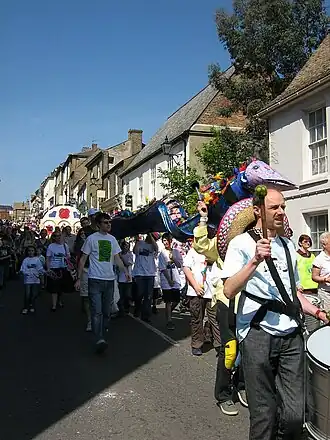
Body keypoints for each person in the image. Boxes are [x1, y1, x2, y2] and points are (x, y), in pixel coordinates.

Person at [221, 187, 328, 440]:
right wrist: (254, 261)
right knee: (263, 414)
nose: (281, 212)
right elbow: (228, 290)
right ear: (258, 210)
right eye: (274, 207)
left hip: (290, 333)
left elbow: (291, 294)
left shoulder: (288, 246)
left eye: (283, 207)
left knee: (294, 415)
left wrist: (317, 311)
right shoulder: (241, 244)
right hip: (257, 333)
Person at [75, 212, 130, 353]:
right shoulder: (91, 239)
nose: (108, 224)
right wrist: (79, 279)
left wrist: (125, 271)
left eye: (109, 222)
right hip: (95, 279)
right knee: (96, 311)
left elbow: (117, 258)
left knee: (106, 311)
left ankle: (102, 332)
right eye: (105, 222)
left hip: (109, 280)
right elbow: (82, 259)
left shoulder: (112, 240)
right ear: (99, 225)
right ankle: (99, 338)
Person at [158, 233, 182, 330]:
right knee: (168, 301)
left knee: (176, 300)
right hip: (166, 280)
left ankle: (169, 312)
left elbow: (180, 265)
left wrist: (174, 259)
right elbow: (162, 268)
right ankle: (169, 321)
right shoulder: (162, 254)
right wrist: (169, 280)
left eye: (168, 240)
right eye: (164, 240)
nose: (166, 242)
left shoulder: (176, 252)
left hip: (175, 279)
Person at [132, 233, 158, 322]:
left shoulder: (153, 246)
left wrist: (150, 235)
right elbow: (135, 251)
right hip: (140, 273)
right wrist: (137, 240)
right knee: (139, 294)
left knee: (148, 296)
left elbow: (156, 248)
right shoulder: (140, 243)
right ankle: (137, 308)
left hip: (150, 274)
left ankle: (145, 315)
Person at [46, 231, 70, 311]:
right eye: (56, 236)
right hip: (54, 268)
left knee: (61, 287)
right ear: (53, 237)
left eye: (59, 235)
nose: (58, 237)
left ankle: (59, 300)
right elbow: (48, 258)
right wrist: (48, 268)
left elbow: (68, 256)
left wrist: (67, 258)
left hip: (63, 268)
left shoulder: (65, 246)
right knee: (54, 288)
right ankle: (54, 305)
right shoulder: (51, 246)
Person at [75, 228, 92, 331]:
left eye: (84, 234)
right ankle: (90, 320)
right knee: (86, 297)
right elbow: (79, 259)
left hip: (96, 270)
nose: (83, 235)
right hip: (85, 270)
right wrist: (78, 277)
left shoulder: (94, 241)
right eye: (81, 234)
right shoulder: (79, 245)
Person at [20, 246, 44, 314]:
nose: (31, 252)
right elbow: (23, 268)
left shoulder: (37, 259)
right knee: (27, 294)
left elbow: (40, 268)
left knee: (34, 294)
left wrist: (44, 273)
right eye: (29, 251)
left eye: (32, 251)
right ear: (27, 252)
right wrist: (23, 272)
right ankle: (25, 307)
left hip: (36, 280)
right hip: (27, 280)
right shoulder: (25, 260)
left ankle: (32, 305)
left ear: (34, 251)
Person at [312, 231, 330, 310]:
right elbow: (314, 277)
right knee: (327, 316)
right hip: (325, 293)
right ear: (324, 245)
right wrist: (325, 279)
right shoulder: (319, 259)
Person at [117, 240, 134, 316]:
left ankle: (127, 308)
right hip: (120, 278)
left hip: (128, 278)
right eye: (124, 246)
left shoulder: (130, 254)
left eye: (127, 246)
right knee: (121, 295)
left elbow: (127, 264)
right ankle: (121, 310)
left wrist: (122, 258)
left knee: (127, 295)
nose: (126, 248)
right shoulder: (118, 255)